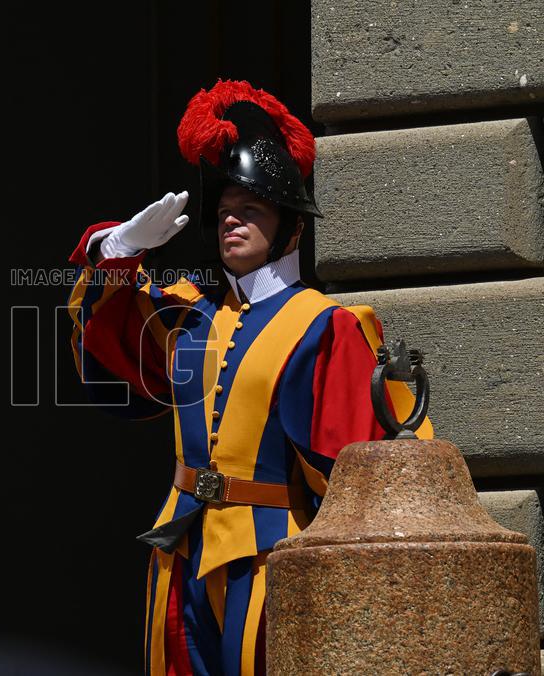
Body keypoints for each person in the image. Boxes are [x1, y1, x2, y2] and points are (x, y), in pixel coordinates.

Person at [66, 80, 432, 676]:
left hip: (272, 555)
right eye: (224, 212)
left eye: (252, 209)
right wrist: (119, 248)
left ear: (290, 227)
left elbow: (363, 474)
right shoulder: (187, 314)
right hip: (180, 552)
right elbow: (106, 337)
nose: (231, 221)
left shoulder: (326, 326)